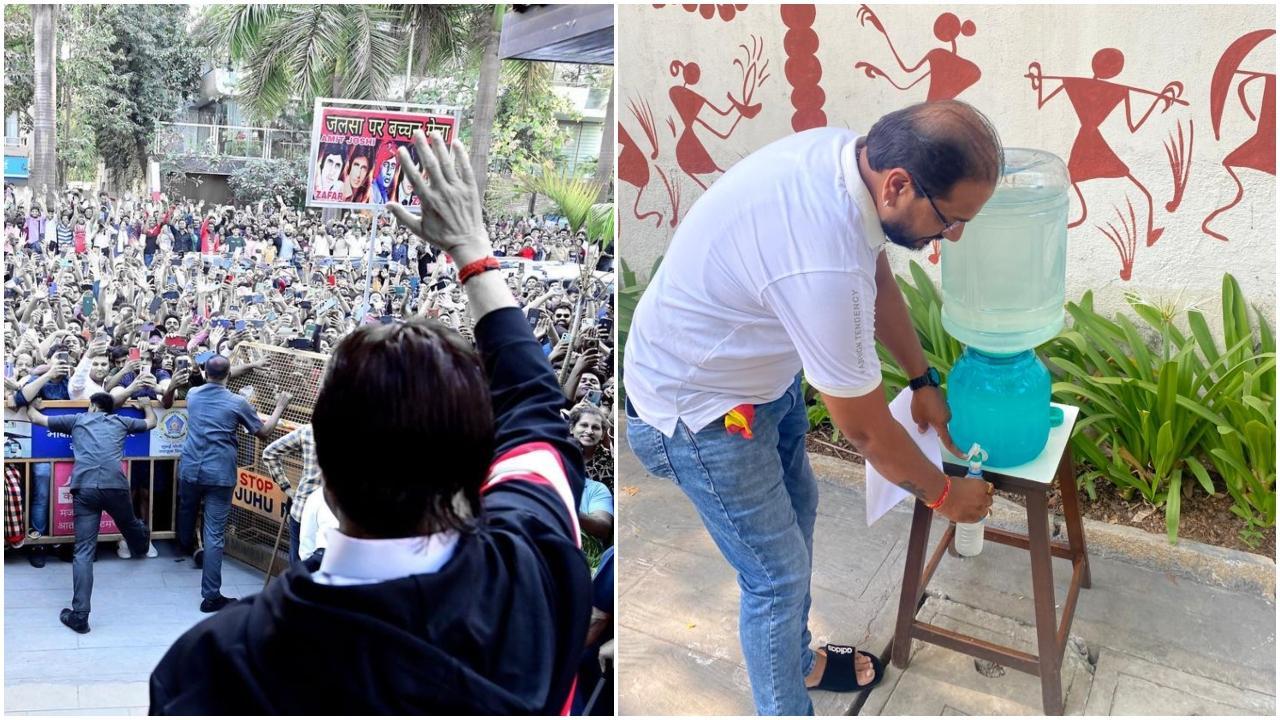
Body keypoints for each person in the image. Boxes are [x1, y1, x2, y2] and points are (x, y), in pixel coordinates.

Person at [149, 129, 591, 715]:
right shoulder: (532, 575)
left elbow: (532, 411)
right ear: (481, 472)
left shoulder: (214, 668)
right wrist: (471, 249)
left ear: (325, 473)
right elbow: (536, 409)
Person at [624, 100, 1002, 714]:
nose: (952, 235)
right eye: (950, 219)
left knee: (800, 515)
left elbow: (875, 271)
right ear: (900, 185)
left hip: (757, 380)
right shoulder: (821, 257)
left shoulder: (852, 157)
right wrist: (942, 496)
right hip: (698, 412)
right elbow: (866, 431)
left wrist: (922, 376)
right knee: (774, 580)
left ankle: (796, 663)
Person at [24, 392, 159, 634]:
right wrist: (147, 406)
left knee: (84, 551)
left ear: (92, 407)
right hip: (115, 486)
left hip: (84, 488)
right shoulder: (121, 422)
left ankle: (80, 616)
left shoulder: (78, 419)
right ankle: (141, 541)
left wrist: (32, 404)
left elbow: (35, 418)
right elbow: (152, 422)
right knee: (129, 525)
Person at [176, 354, 291, 613]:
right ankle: (211, 596)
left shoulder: (193, 394)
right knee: (214, 534)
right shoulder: (237, 402)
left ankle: (184, 544)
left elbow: (218, 376)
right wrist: (280, 406)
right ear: (229, 375)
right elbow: (263, 432)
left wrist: (247, 366)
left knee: (188, 508)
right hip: (219, 474)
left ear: (205, 373)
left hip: (190, 468)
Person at [259, 423, 321, 564]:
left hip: (302, 510)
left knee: (298, 568)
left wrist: (286, 487)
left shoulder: (309, 430)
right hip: (337, 517)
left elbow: (270, 453)